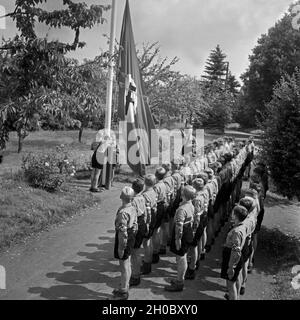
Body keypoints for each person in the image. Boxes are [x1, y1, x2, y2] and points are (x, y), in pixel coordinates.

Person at [165, 185, 196, 292]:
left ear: (183, 195)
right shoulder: (190, 204)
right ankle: (179, 278)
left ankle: (179, 282)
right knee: (182, 256)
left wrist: (177, 240)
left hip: (182, 235)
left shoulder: (182, 209)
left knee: (181, 257)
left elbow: (179, 228)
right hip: (188, 232)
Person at [113, 187, 137, 300]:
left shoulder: (123, 213)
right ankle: (125, 285)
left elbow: (122, 233)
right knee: (128, 262)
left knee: (123, 265)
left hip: (124, 237)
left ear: (121, 197)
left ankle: (123, 291)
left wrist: (121, 248)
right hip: (131, 234)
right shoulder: (132, 207)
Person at [221, 205, 248, 300]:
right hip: (234, 258)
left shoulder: (236, 231)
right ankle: (235, 296)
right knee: (234, 280)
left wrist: (231, 267)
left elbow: (235, 251)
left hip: (231, 258)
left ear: (235, 216)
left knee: (230, 284)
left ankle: (233, 297)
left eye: (233, 212)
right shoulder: (241, 226)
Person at [130, 179, 147, 287]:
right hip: (142, 222)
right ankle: (137, 270)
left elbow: (132, 216)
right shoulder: (143, 197)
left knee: (135, 252)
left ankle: (135, 275)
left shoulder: (133, 200)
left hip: (136, 223)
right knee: (138, 249)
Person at [141, 174, 157, 275]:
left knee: (146, 242)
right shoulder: (153, 191)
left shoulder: (145, 195)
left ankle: (147, 264)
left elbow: (147, 211)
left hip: (148, 217)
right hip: (154, 215)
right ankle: (148, 260)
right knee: (149, 240)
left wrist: (146, 223)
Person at [152, 167, 168, 264]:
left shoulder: (156, 186)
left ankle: (155, 251)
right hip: (163, 205)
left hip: (158, 206)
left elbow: (154, 199)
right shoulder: (164, 184)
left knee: (155, 231)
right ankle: (160, 247)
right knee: (159, 229)